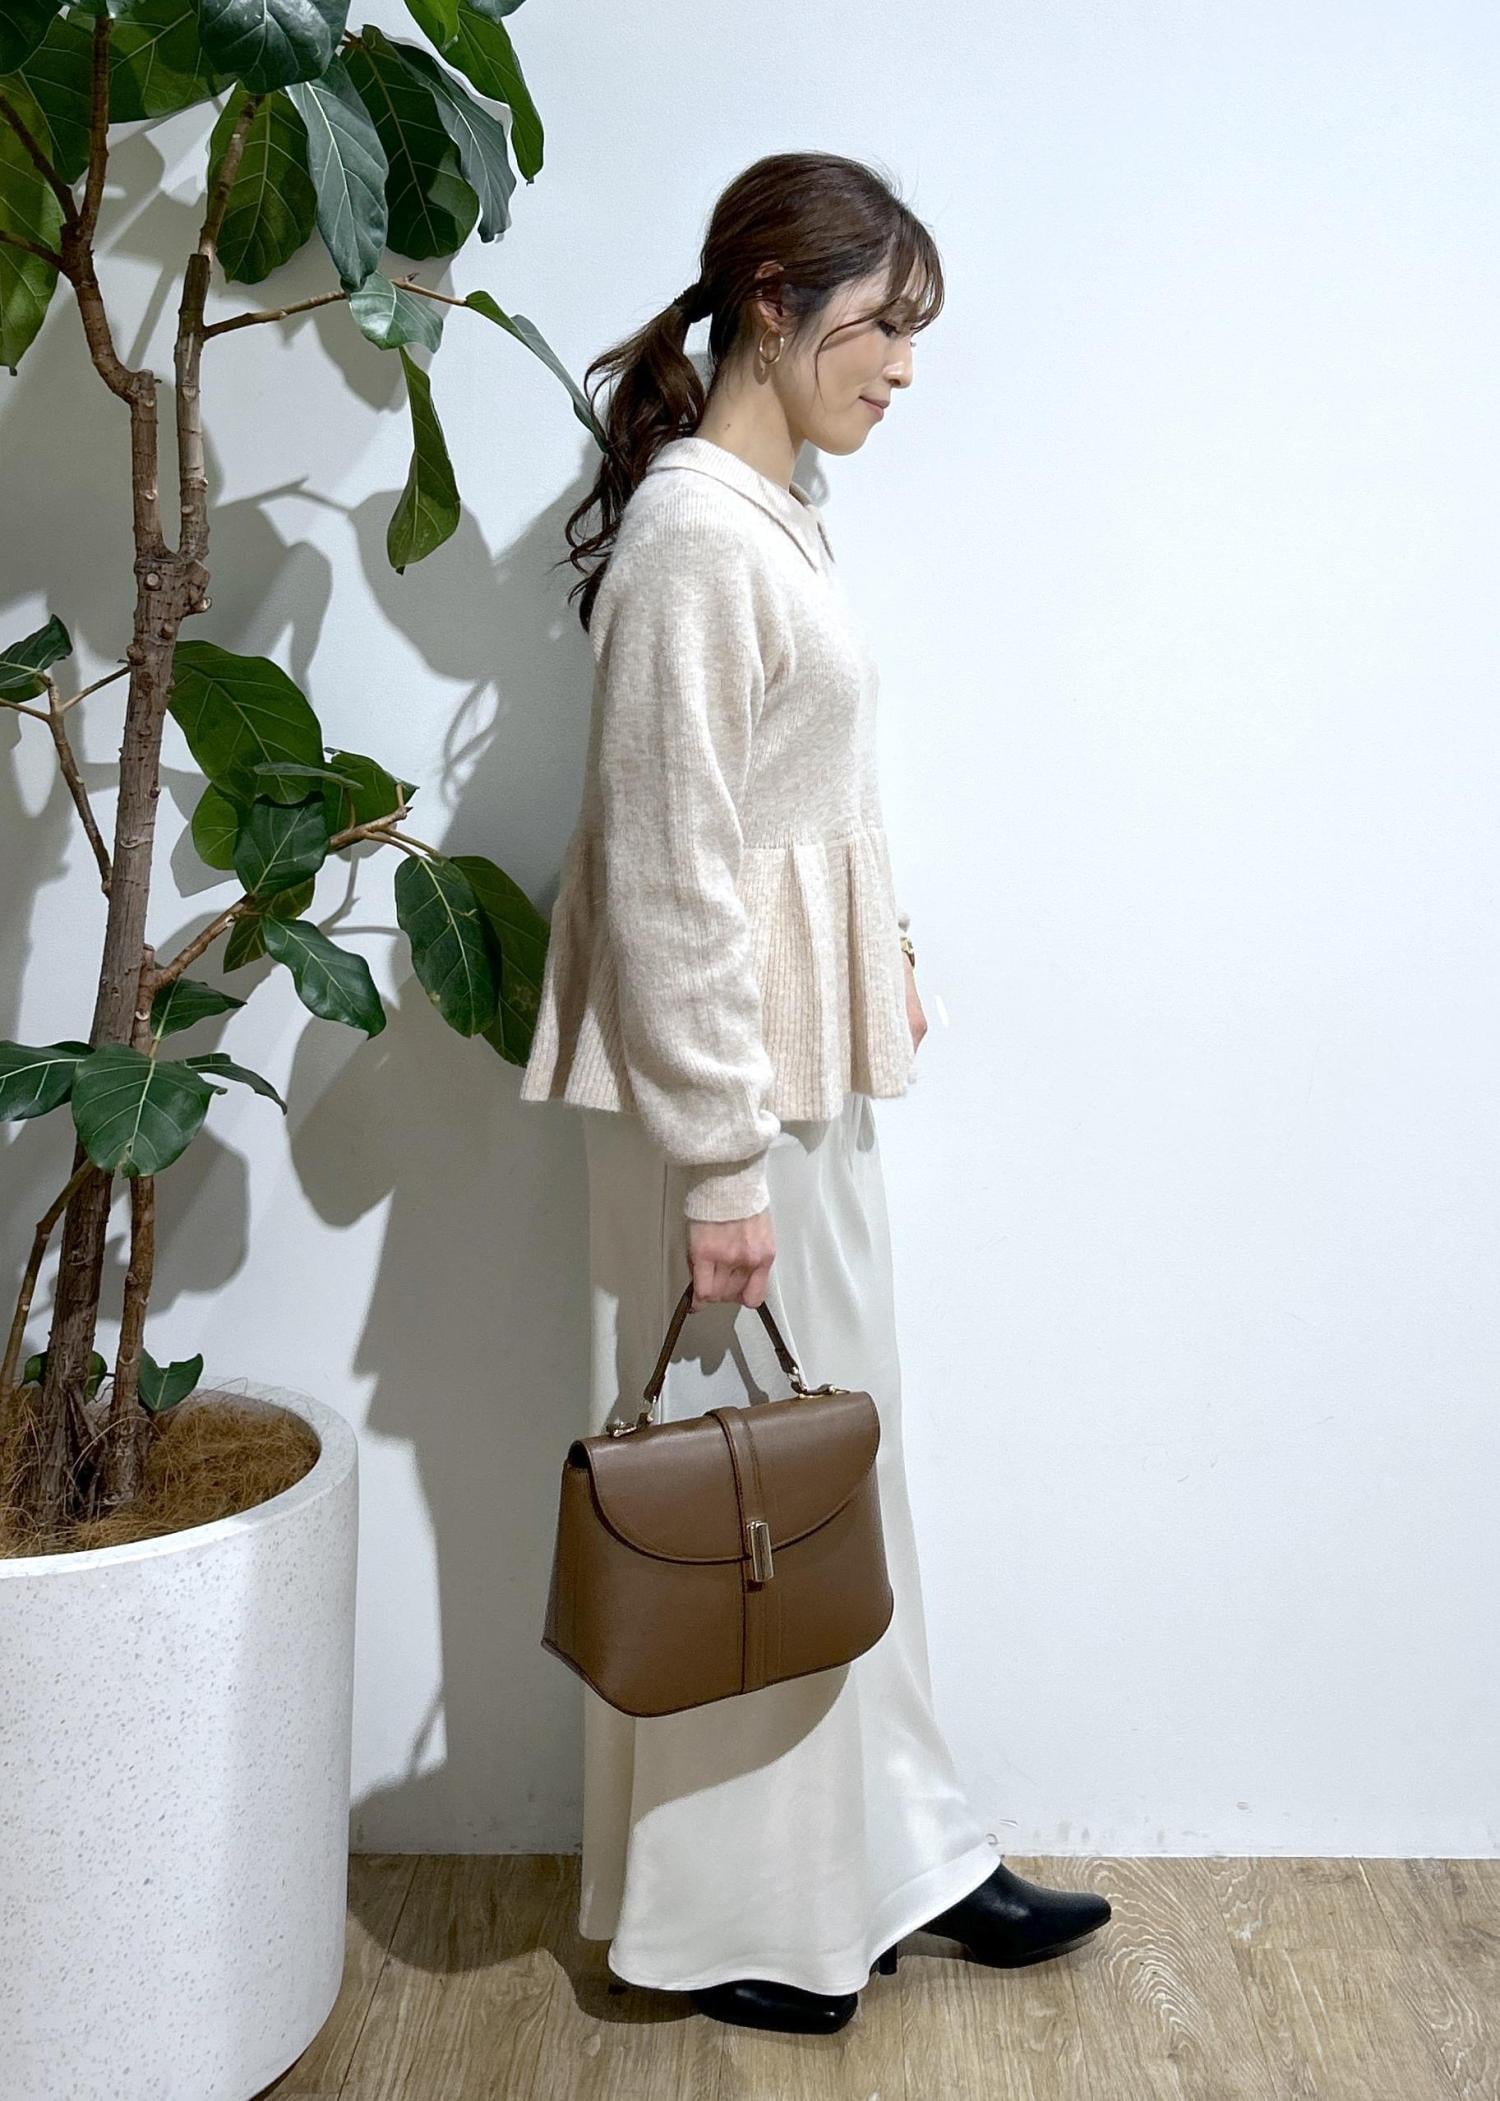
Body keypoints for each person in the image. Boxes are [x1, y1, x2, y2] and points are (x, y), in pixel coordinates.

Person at [520, 149, 1111, 2036]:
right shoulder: (698, 538)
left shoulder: (777, 512)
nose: (904, 369)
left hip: (793, 1071)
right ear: (770, 309)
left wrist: (884, 943)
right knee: (739, 1510)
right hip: (727, 1103)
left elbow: (793, 789)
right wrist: (716, 1165)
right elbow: (670, 861)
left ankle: (900, 1850)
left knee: (837, 1477)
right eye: (880, 327)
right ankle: (734, 1916)